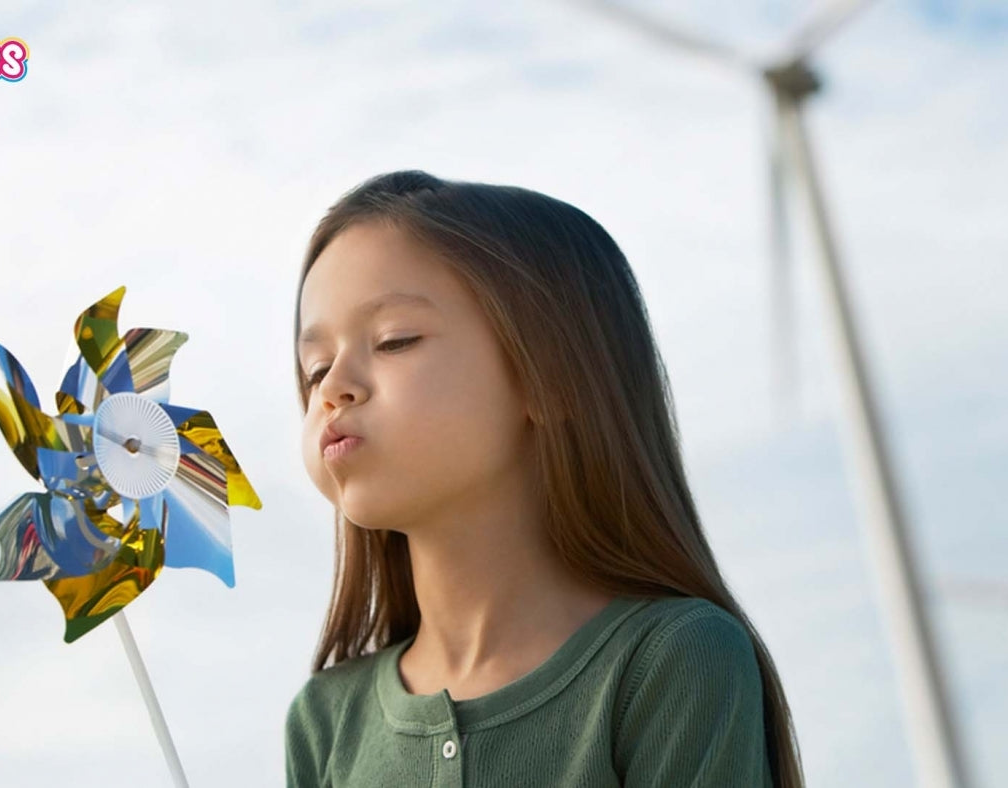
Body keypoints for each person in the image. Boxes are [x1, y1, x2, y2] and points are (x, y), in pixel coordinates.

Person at [286, 170, 803, 787]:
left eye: (395, 340)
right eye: (315, 368)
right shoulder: (324, 720)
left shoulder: (671, 660)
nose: (334, 387)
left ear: (548, 376)